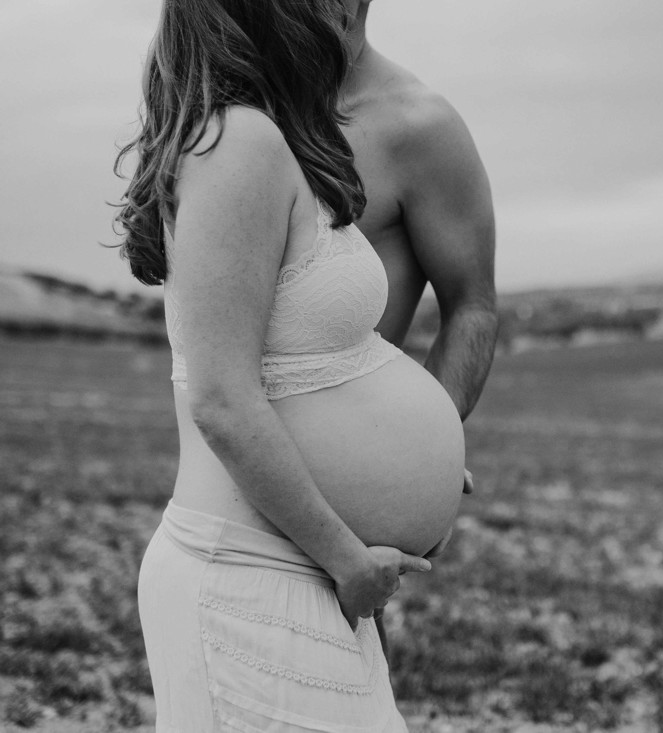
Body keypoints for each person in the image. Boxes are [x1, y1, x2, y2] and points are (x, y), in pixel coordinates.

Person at [116, 1, 470, 729]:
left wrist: (412, 457)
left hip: (287, 571)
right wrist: (350, 561)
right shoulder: (237, 143)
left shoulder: (257, 140)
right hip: (256, 579)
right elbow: (221, 400)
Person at [337, 0, 498, 653]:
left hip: (351, 493)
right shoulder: (243, 110)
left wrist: (429, 442)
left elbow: (471, 305)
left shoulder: (418, 125)